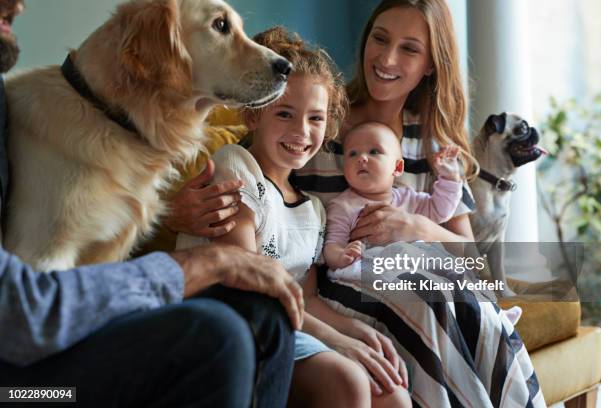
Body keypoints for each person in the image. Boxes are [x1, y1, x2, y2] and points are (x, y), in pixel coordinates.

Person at [166, 1, 546, 407]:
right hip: (340, 291)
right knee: (426, 303)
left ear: (432, 64)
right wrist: (175, 212)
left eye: (409, 49)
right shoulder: (319, 118)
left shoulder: (434, 146)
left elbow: (473, 260)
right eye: (380, 39)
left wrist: (416, 228)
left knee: (467, 306)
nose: (386, 58)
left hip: (385, 286)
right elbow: (251, 172)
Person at [0, 1, 299, 407]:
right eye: (221, 27)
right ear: (163, 52)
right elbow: (24, 316)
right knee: (217, 336)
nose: (20, 5)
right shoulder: (38, 123)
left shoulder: (98, 123)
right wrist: (206, 264)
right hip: (22, 391)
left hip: (54, 342)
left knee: (261, 313)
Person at [177, 27, 412, 408]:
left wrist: (358, 333)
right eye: (285, 113)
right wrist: (338, 341)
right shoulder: (236, 166)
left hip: (293, 322)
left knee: (394, 396)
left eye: (315, 118)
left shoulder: (314, 210)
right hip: (241, 320)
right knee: (348, 381)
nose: (301, 131)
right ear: (253, 115)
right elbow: (247, 280)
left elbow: (306, 296)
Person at [324, 121, 462, 271]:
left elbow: (440, 210)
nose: (362, 158)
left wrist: (450, 178)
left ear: (397, 167)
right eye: (352, 153)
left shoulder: (409, 199)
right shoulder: (342, 206)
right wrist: (341, 256)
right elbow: (332, 244)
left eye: (374, 152)